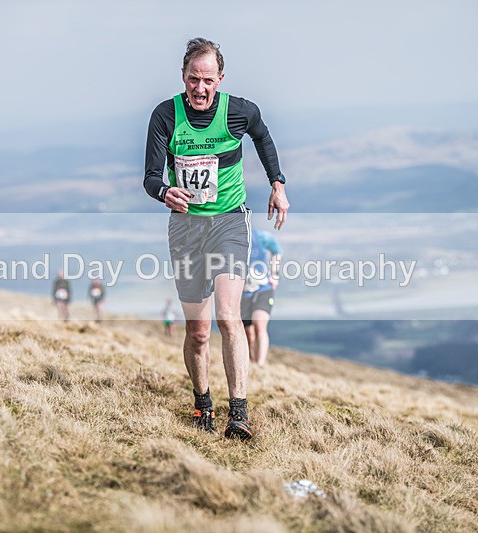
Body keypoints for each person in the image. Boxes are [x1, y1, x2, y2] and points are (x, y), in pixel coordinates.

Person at [143, 37, 289, 440]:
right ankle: (202, 401)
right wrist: (163, 192)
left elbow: (263, 137)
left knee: (228, 315)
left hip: (228, 222)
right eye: (193, 79)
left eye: (208, 80)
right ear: (183, 77)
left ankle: (238, 413)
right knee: (199, 331)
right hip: (186, 228)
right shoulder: (165, 116)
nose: (200, 88)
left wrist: (277, 184)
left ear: (220, 79)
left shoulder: (240, 111)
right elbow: (151, 177)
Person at [242, 228, 282, 368]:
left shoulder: (261, 237)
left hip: (263, 288)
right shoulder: (227, 237)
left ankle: (260, 365)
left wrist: (274, 275)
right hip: (243, 292)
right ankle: (251, 363)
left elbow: (276, 250)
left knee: (259, 326)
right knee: (249, 333)